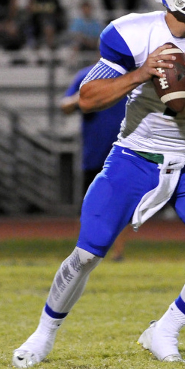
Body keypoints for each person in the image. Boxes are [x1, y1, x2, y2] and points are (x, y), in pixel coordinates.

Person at [12, 0, 185, 368]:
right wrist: (143, 72)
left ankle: (164, 330)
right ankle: (44, 333)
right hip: (134, 157)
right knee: (87, 253)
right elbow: (87, 98)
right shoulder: (131, 32)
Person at [60, 65, 128, 261]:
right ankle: (85, 250)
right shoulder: (87, 75)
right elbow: (65, 105)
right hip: (95, 151)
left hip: (126, 150)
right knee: (90, 204)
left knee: (121, 203)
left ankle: (118, 253)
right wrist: (82, 99)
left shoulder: (134, 75)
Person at [67, 0, 104, 69]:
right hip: (82, 44)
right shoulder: (77, 22)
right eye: (84, 9)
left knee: (102, 46)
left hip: (93, 43)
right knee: (75, 45)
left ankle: (96, 67)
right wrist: (86, 41)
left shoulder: (96, 23)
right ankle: (72, 64)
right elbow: (76, 35)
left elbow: (100, 35)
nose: (86, 11)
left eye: (88, 9)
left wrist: (93, 42)